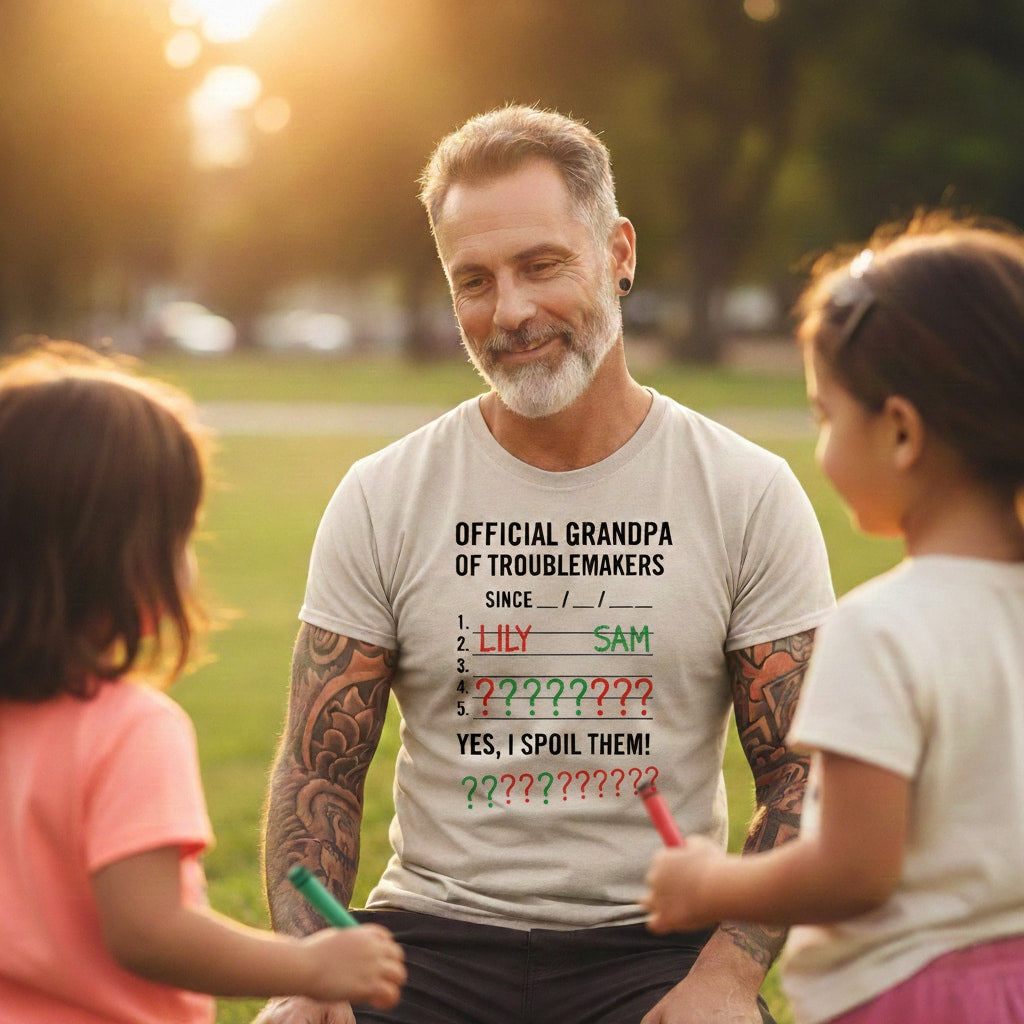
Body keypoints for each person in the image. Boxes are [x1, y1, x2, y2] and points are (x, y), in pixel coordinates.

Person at [257, 104, 835, 1024]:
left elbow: (804, 772)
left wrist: (726, 978)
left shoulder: (746, 492)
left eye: (541, 265)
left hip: (657, 948)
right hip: (429, 943)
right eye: (474, 280)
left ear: (619, 252)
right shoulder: (384, 494)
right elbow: (320, 771)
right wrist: (310, 971)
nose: (511, 311)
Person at [643, 214, 1024, 1024]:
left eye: (824, 415)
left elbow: (854, 870)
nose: (819, 444)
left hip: (912, 998)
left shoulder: (882, 630)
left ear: (899, 431)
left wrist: (716, 883)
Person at [0, 341, 406, 1024]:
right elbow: (149, 931)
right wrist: (309, 964)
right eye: (183, 532)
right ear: (122, 558)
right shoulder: (129, 729)